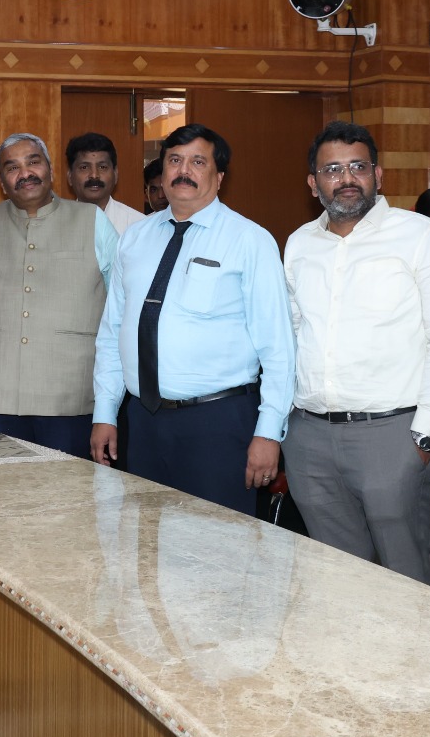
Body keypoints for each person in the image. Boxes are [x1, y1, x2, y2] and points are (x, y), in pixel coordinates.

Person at [91, 123, 293, 513]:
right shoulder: (134, 238)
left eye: (198, 162)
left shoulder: (249, 240)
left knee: (216, 542)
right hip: (142, 421)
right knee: (145, 539)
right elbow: (113, 332)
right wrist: (105, 413)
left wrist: (269, 432)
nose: (184, 171)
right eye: (175, 160)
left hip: (217, 424)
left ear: (219, 177)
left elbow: (279, 347)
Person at [283, 122, 430, 583]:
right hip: (311, 438)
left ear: (378, 174)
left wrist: (425, 435)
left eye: (358, 166)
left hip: (394, 435)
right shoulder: (299, 243)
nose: (346, 178)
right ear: (313, 183)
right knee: (338, 580)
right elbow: (294, 334)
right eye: (332, 169)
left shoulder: (420, 236)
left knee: (408, 579)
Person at [0, 133, 117, 457]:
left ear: (51, 170)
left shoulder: (93, 221)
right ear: (2, 183)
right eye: (12, 167)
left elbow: (118, 304)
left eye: (33, 162)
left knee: (66, 487)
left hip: (69, 394)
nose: (25, 173)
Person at [66, 132, 146, 235]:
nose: (94, 175)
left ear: (115, 174)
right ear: (70, 176)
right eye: (84, 167)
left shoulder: (139, 226)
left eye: (102, 167)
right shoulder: (56, 226)